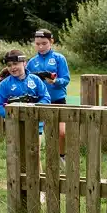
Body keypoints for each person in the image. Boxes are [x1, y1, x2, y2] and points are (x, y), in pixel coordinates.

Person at [27, 29, 70, 157]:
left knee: (62, 133)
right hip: (39, 101)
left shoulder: (59, 58)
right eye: (37, 44)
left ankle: (62, 156)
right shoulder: (31, 62)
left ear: (51, 42)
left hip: (58, 99)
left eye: (44, 43)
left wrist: (56, 81)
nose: (41, 47)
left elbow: (66, 79)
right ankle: (39, 159)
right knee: (39, 134)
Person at [0, 50, 50, 118]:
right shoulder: (4, 84)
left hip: (36, 122)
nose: (12, 67)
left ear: (24, 63)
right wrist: (10, 115)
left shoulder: (36, 80)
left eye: (15, 63)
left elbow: (46, 97)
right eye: (9, 65)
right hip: (14, 124)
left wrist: (36, 108)